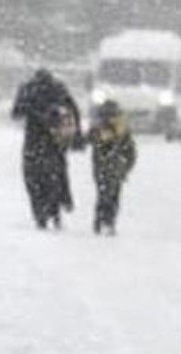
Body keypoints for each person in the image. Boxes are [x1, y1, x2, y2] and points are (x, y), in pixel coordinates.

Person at [11, 68, 82, 229]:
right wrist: (76, 135)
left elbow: (16, 113)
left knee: (33, 178)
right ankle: (57, 207)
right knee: (56, 175)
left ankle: (40, 214)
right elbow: (74, 110)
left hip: (33, 141)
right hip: (54, 140)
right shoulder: (58, 88)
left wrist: (32, 111)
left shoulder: (28, 89)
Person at [86, 99, 137, 235]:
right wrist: (127, 167)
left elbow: (88, 139)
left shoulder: (99, 128)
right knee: (113, 195)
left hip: (102, 167)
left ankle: (101, 220)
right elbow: (130, 151)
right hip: (116, 167)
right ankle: (109, 221)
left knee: (103, 194)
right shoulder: (122, 129)